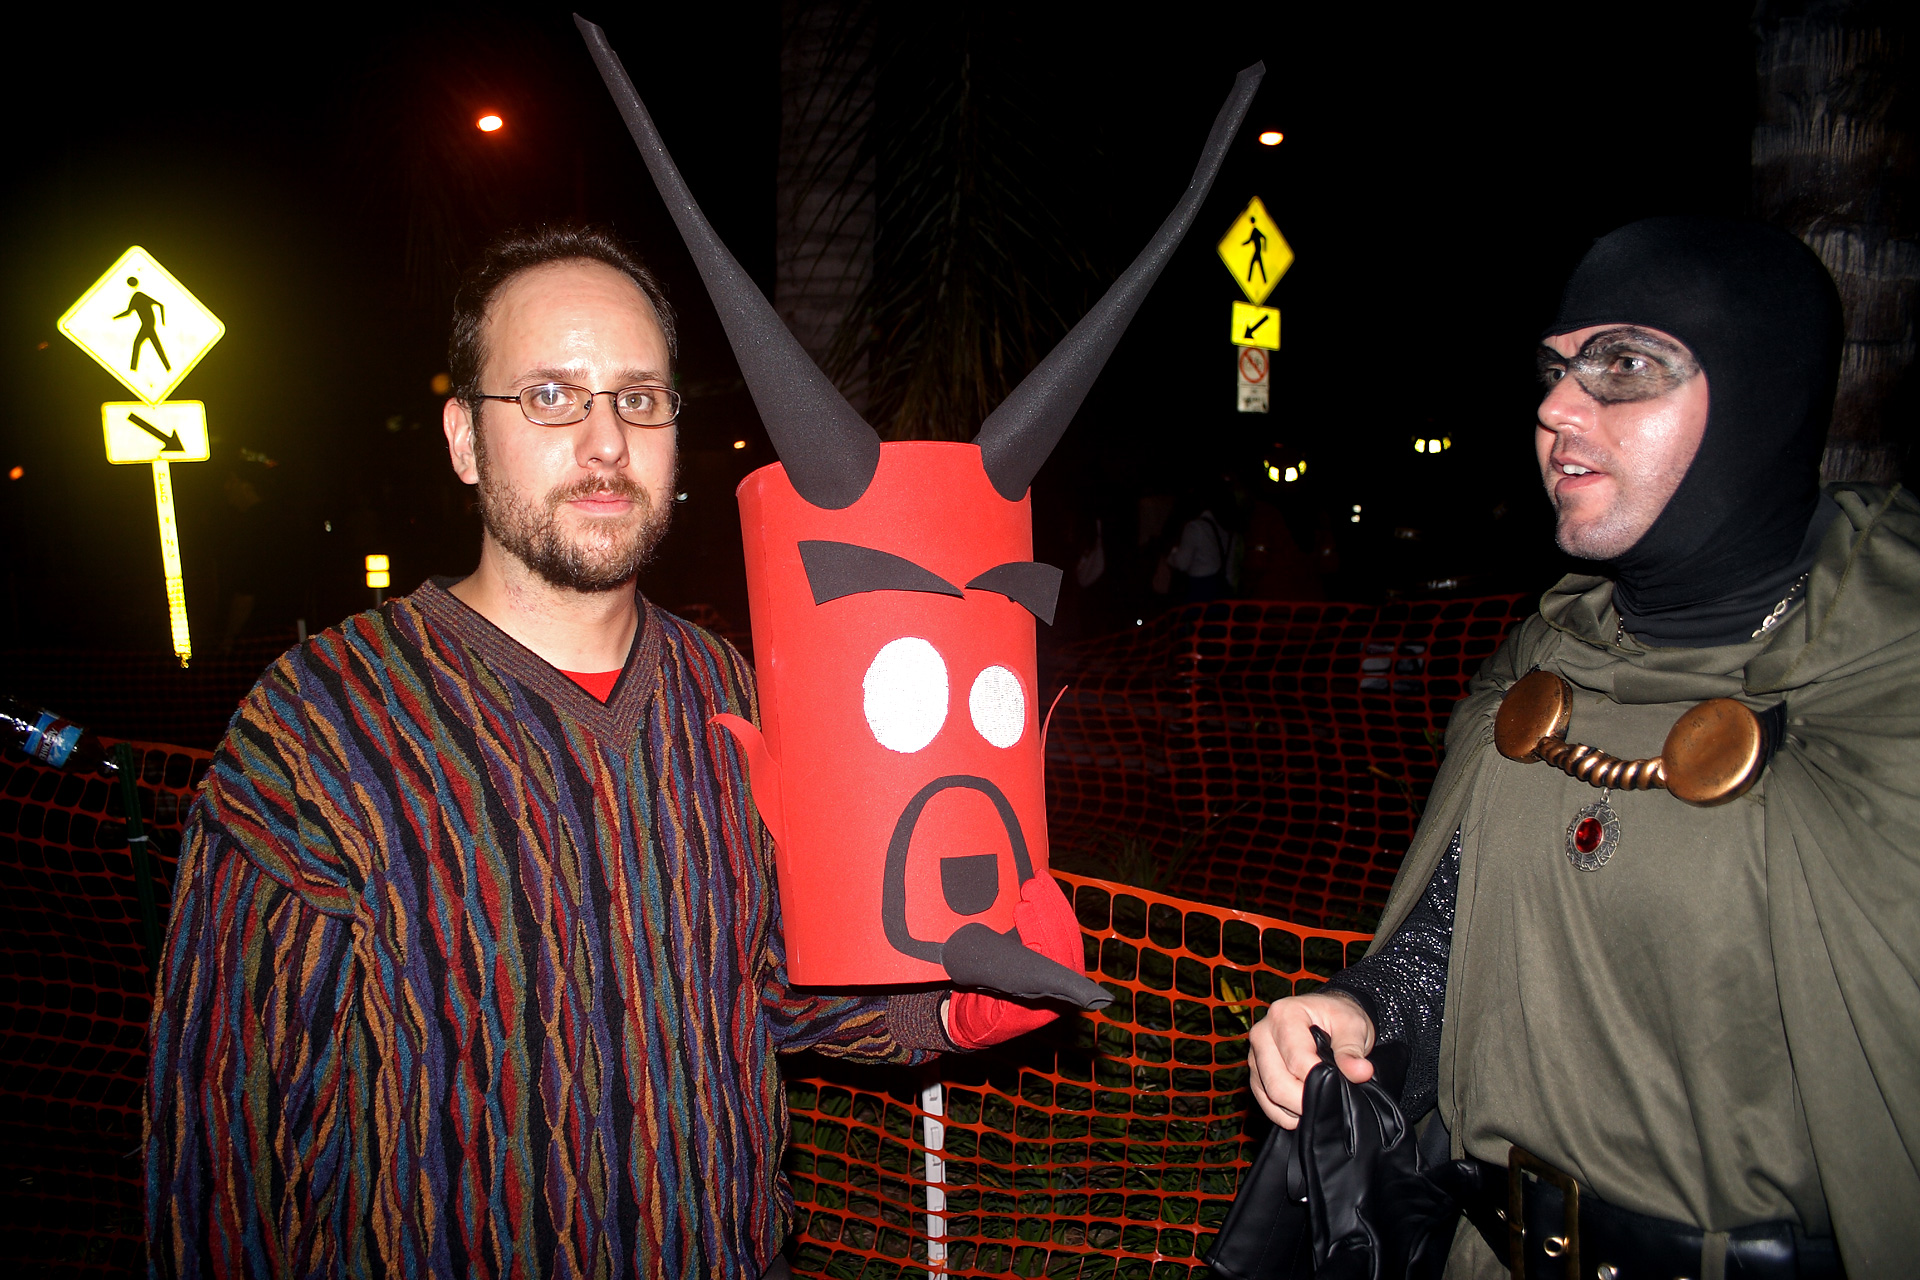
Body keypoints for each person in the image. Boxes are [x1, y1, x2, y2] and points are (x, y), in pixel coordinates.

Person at [145, 226, 1067, 1278]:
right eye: (550, 396)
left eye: (639, 398)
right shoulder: (320, 724)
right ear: (464, 438)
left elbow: (774, 977)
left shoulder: (735, 693)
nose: (605, 442)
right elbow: (230, 1129)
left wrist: (942, 1005)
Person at [1247, 217, 1918, 1278]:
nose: (1559, 408)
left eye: (1626, 367)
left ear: (1760, 391)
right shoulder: (1543, 662)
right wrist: (1362, 1007)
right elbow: (1456, 935)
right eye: (1557, 370)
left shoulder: (1891, 680)